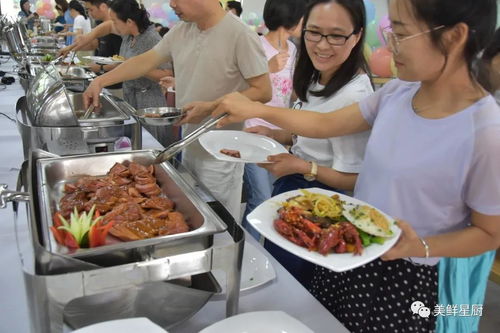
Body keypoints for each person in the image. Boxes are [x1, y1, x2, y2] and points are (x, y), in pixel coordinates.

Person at [213, 0, 500, 331]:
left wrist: (418, 246)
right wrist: (253, 109)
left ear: (454, 37)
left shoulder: (486, 132)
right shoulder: (397, 93)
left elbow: (489, 234)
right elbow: (325, 124)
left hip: (409, 276)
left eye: (401, 33)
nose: (390, 47)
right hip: (353, 249)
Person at [81, 0, 271, 220]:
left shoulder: (239, 34)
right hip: (189, 141)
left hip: (221, 153)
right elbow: (145, 61)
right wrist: (101, 81)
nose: (171, 4)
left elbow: (263, 91)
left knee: (217, 220)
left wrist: (211, 107)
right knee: (193, 211)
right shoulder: (183, 28)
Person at [250, 0, 374, 286]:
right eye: (314, 32)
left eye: (336, 35)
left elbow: (354, 179)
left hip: (324, 208)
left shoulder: (356, 96)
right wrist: (276, 136)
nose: (322, 45)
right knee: (280, 279)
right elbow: (311, 135)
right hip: (294, 194)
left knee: (299, 290)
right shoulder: (316, 77)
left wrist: (302, 166)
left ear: (356, 37)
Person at [241, 0, 305, 234]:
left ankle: (255, 248)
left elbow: (291, 92)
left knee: (274, 201)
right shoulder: (255, 45)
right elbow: (239, 90)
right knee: (261, 198)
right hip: (253, 131)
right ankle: (246, 252)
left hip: (280, 134)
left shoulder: (294, 49)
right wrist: (266, 69)